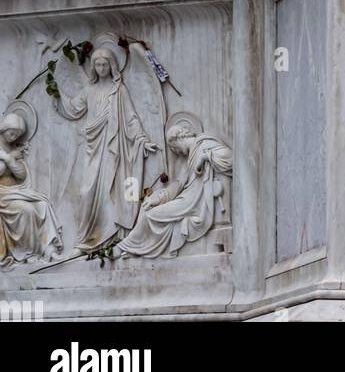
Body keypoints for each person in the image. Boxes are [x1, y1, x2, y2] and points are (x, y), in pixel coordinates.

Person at [53, 43, 158, 254]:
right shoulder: (89, 89)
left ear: (112, 66)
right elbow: (74, 107)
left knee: (116, 191)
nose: (101, 68)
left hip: (114, 149)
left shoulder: (118, 90)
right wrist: (56, 94)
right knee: (86, 192)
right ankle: (85, 240)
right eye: (97, 64)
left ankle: (114, 237)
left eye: (104, 64)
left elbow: (130, 118)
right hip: (93, 147)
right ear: (93, 67)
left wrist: (141, 138)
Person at [116, 120, 232, 259]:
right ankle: (135, 249)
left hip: (193, 203)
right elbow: (178, 184)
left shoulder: (204, 144)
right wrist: (157, 199)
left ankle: (126, 247)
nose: (176, 151)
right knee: (147, 209)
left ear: (179, 137)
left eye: (174, 147)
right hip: (186, 199)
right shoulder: (191, 156)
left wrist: (206, 157)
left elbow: (230, 158)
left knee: (151, 215)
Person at [0, 104, 63, 266]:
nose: (13, 137)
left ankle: (49, 250)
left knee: (43, 204)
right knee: (27, 210)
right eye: (11, 133)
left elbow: (21, 174)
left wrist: (11, 159)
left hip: (14, 190)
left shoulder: (14, 149)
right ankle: (27, 253)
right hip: (2, 194)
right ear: (4, 129)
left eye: (17, 135)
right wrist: (8, 159)